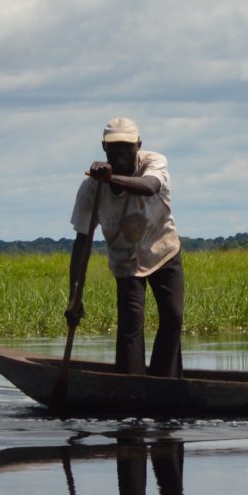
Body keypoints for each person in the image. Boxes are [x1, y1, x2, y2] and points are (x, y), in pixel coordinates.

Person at [65, 115, 184, 376]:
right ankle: (131, 383)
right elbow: (82, 242)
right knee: (131, 325)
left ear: (138, 145)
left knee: (173, 318)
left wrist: (110, 180)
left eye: (127, 146)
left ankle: (166, 382)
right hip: (126, 261)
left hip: (163, 250)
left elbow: (150, 187)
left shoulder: (154, 162)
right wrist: (75, 295)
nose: (120, 152)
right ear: (104, 148)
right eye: (114, 146)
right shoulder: (90, 189)